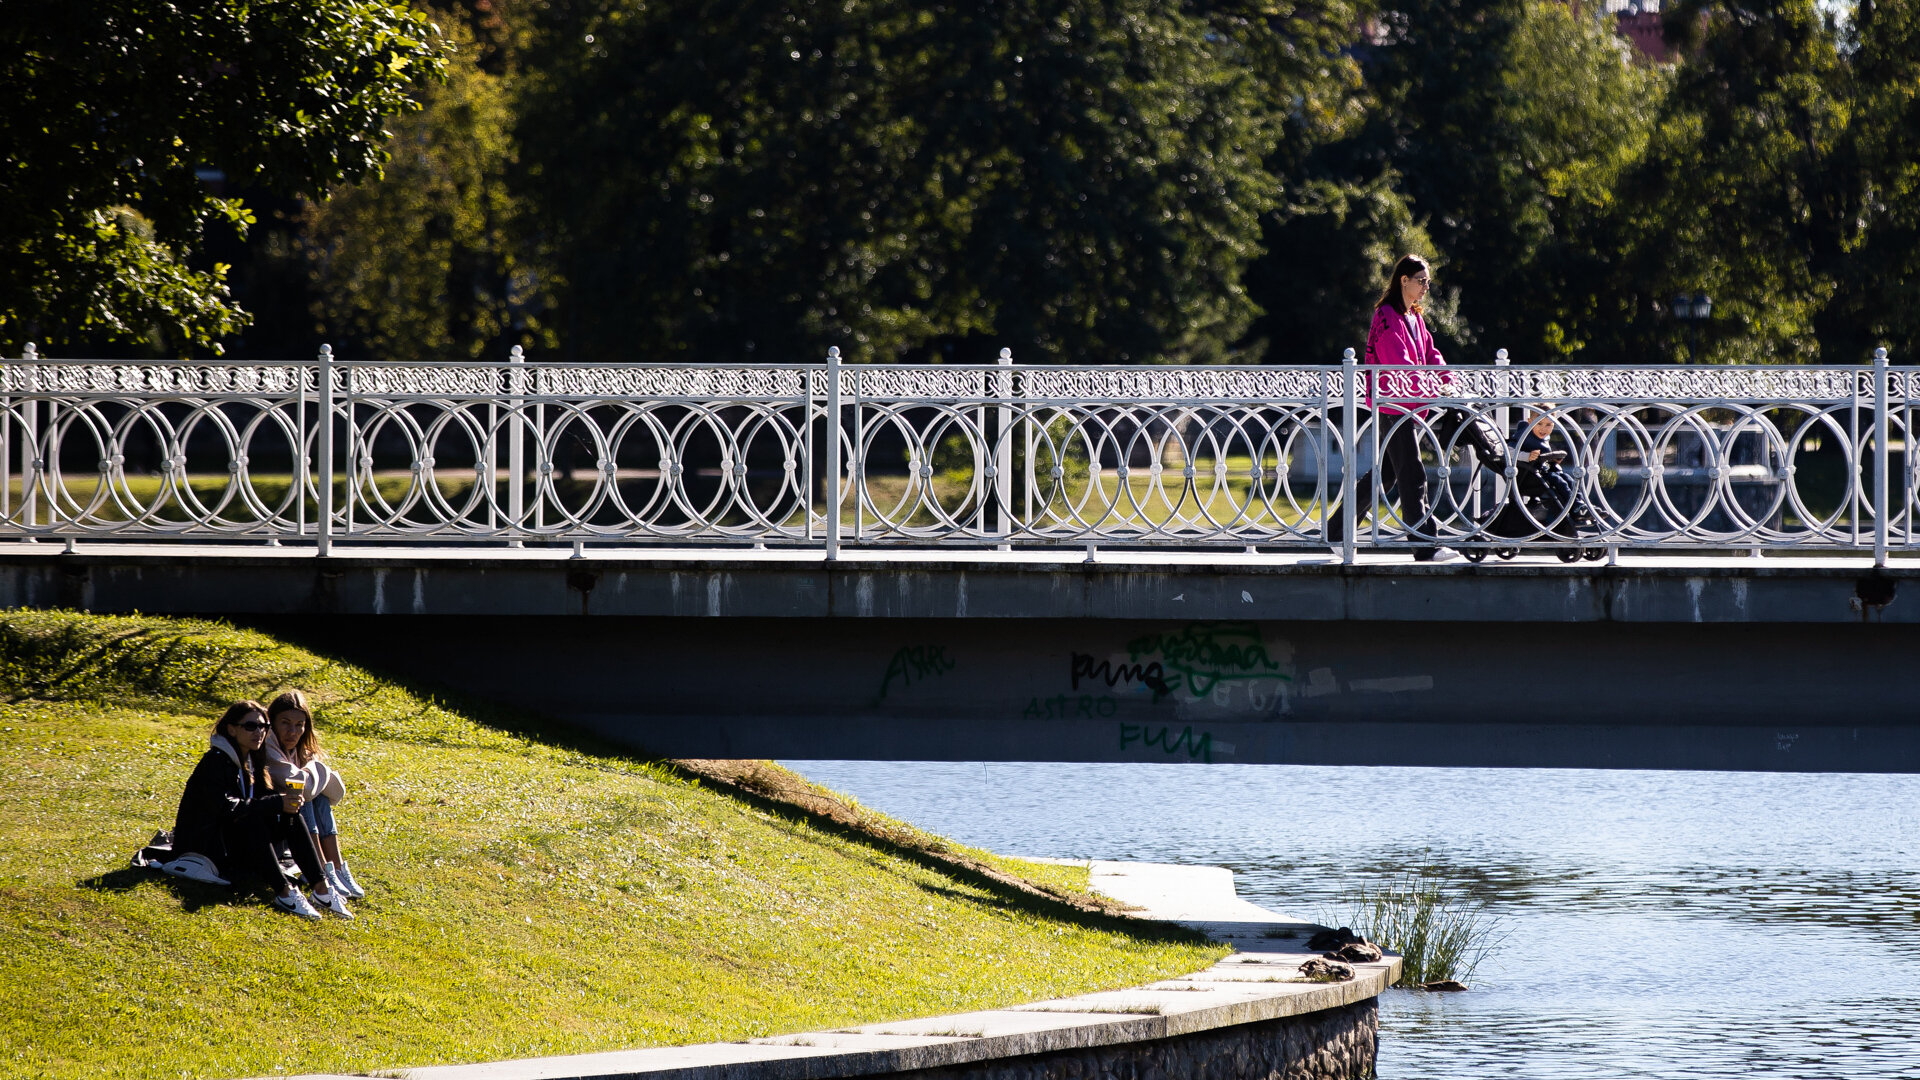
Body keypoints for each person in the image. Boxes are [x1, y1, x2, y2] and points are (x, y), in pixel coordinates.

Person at [169, 700, 354, 919]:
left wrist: (284, 803)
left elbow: (258, 800)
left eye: (263, 727)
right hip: (207, 846)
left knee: (291, 814)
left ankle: (321, 888)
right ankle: (284, 892)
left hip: (235, 842)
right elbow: (226, 808)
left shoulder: (250, 759)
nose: (259, 732)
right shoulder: (216, 762)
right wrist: (276, 802)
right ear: (231, 729)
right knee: (252, 819)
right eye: (250, 726)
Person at [1351, 254, 1461, 562]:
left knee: (1385, 476)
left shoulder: (1414, 316)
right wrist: (1429, 385)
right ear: (1404, 280)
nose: (1427, 286)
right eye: (1422, 280)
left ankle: (1337, 531)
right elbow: (1399, 362)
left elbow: (1431, 353)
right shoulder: (1386, 315)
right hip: (1393, 404)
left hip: (1410, 405)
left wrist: (1444, 379)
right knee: (1413, 473)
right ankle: (1425, 545)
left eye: (1428, 281)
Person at [264, 690, 366, 899]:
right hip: (269, 827)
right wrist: (317, 768)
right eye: (285, 723)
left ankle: (335, 867)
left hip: (290, 826)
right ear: (272, 722)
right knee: (305, 796)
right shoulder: (268, 747)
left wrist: (313, 769)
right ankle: (318, 870)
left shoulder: (299, 751)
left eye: (299, 725)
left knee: (319, 797)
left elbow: (337, 793)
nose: (293, 731)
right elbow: (306, 788)